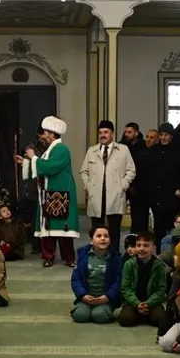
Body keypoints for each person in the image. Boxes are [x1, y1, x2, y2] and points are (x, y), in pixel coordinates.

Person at [18, 115, 80, 268]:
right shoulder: (51, 149)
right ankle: (48, 256)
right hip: (49, 194)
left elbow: (49, 167)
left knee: (62, 228)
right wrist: (26, 162)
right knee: (49, 227)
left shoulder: (62, 149)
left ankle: (69, 257)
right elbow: (44, 164)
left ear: (52, 134)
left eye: (45, 133)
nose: (42, 136)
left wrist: (33, 158)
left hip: (59, 194)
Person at [80, 120, 137, 243]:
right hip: (96, 195)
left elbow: (131, 170)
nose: (102, 135)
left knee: (114, 230)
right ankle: (96, 255)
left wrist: (123, 185)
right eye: (100, 132)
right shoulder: (92, 151)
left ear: (113, 134)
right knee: (96, 230)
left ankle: (114, 257)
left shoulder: (123, 150)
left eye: (106, 132)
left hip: (115, 194)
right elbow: (83, 171)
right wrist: (88, 186)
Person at [70, 226, 121, 324]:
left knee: (99, 316)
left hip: (105, 299)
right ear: (91, 241)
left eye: (106, 236)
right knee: (79, 316)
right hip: (86, 297)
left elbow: (118, 281)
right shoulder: (83, 256)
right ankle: (86, 307)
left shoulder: (116, 259)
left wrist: (107, 296)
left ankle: (105, 308)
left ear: (110, 240)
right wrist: (83, 295)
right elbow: (76, 279)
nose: (103, 238)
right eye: (99, 236)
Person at [117, 231, 169, 327]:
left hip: (152, 302)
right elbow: (125, 288)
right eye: (138, 245)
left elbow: (161, 289)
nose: (141, 248)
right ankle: (139, 313)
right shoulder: (129, 264)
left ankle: (144, 314)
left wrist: (148, 303)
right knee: (125, 320)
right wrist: (137, 304)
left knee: (159, 319)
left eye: (146, 245)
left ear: (153, 248)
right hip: (133, 301)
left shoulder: (159, 266)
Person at [145, 123, 180, 242]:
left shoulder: (179, 151)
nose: (163, 137)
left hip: (173, 195)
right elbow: (149, 173)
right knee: (158, 228)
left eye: (166, 135)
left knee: (173, 227)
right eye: (161, 135)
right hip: (157, 196)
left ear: (171, 136)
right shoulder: (154, 151)